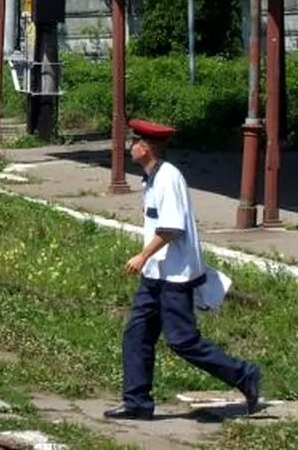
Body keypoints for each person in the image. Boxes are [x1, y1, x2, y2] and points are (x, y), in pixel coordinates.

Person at [104, 118, 262, 421]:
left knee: (182, 341)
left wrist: (141, 255)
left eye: (135, 141)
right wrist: (148, 262)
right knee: (136, 335)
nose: (131, 145)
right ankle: (136, 401)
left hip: (175, 277)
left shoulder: (168, 178)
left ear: (146, 148)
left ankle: (244, 375)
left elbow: (171, 229)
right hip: (155, 275)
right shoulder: (150, 178)